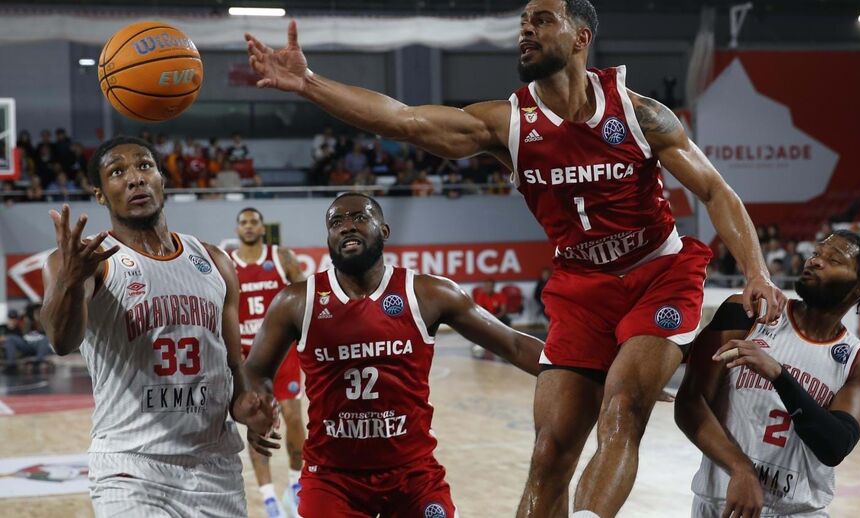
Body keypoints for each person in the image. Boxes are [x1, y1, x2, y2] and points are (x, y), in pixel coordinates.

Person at [245, 1, 785, 514]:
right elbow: (404, 120)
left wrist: (757, 272)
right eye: (522, 22)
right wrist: (307, 84)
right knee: (549, 451)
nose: (525, 30)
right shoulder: (508, 124)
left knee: (621, 408)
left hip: (657, 275)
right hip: (581, 286)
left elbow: (716, 191)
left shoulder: (639, 113)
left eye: (542, 21)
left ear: (580, 37)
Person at [242, 193, 545, 517]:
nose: (346, 227)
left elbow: (514, 345)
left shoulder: (428, 293)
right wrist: (257, 404)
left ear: (384, 231)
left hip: (413, 475)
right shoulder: (296, 301)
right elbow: (254, 369)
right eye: (336, 222)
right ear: (328, 237)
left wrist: (582, 373)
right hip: (332, 477)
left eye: (359, 217)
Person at [39, 136, 275, 517]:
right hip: (130, 465)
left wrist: (245, 403)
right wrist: (68, 281)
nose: (135, 178)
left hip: (215, 468)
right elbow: (61, 340)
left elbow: (233, 363)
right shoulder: (87, 263)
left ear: (162, 178)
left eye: (144, 166)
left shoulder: (214, 260)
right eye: (118, 172)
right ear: (100, 195)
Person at [675, 231, 860, 518]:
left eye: (833, 259)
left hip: (798, 511)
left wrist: (779, 375)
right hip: (723, 501)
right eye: (817, 252)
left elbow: (835, 446)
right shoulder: (747, 312)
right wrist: (740, 469)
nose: (815, 261)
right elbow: (689, 403)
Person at [232, 207, 307, 518]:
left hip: (281, 352)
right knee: (257, 423)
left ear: (263, 227)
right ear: (237, 229)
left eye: (254, 221)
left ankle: (295, 484)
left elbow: (304, 294)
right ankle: (269, 499)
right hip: (248, 357)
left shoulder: (281, 257)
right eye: (243, 222)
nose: (249, 226)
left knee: (292, 416)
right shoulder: (228, 262)